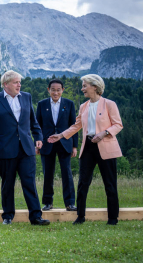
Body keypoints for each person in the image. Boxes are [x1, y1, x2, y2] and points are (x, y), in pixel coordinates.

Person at [48, 74, 123, 225]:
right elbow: (77, 126)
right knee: (83, 183)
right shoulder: (84, 106)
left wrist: (104, 133)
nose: (82, 88)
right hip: (88, 147)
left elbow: (118, 124)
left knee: (109, 183)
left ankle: (113, 219)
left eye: (84, 86)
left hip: (105, 145)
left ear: (94, 87)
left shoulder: (109, 104)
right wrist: (61, 135)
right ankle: (80, 216)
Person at [0, 70, 50, 226]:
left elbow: (33, 121)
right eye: (15, 82)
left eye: (20, 82)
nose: (19, 84)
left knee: (29, 182)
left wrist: (38, 137)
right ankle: (8, 216)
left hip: (26, 148)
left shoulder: (26, 97)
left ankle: (36, 216)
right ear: (6, 84)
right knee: (8, 183)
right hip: (4, 149)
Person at [36, 79, 78, 211]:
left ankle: (70, 203)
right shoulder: (42, 104)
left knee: (67, 173)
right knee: (48, 173)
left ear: (62, 90)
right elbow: (37, 126)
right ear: (48, 90)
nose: (55, 92)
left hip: (65, 143)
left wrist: (74, 146)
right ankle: (48, 202)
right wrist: (37, 144)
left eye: (58, 90)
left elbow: (74, 126)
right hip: (46, 144)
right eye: (53, 89)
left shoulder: (69, 104)